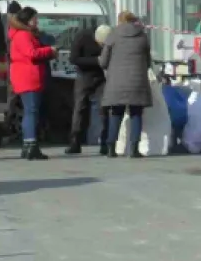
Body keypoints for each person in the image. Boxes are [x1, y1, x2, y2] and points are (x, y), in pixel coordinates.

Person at [99, 11, 153, 159]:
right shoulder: (143, 36)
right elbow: (148, 62)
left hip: (116, 82)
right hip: (137, 82)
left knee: (116, 113)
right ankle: (134, 149)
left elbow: (103, 62)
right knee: (136, 113)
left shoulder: (113, 35)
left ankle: (111, 148)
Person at [8, 6, 55, 160]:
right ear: (27, 20)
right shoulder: (24, 35)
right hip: (29, 77)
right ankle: (31, 145)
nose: (37, 21)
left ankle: (28, 145)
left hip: (25, 76)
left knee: (30, 111)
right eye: (35, 18)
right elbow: (32, 54)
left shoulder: (21, 34)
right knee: (31, 111)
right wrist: (50, 51)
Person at [66, 22, 110, 155]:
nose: (102, 47)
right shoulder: (82, 37)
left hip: (102, 77)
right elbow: (74, 58)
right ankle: (75, 142)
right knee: (80, 108)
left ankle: (105, 143)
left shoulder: (108, 38)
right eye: (101, 44)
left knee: (105, 109)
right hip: (84, 75)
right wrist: (97, 60)